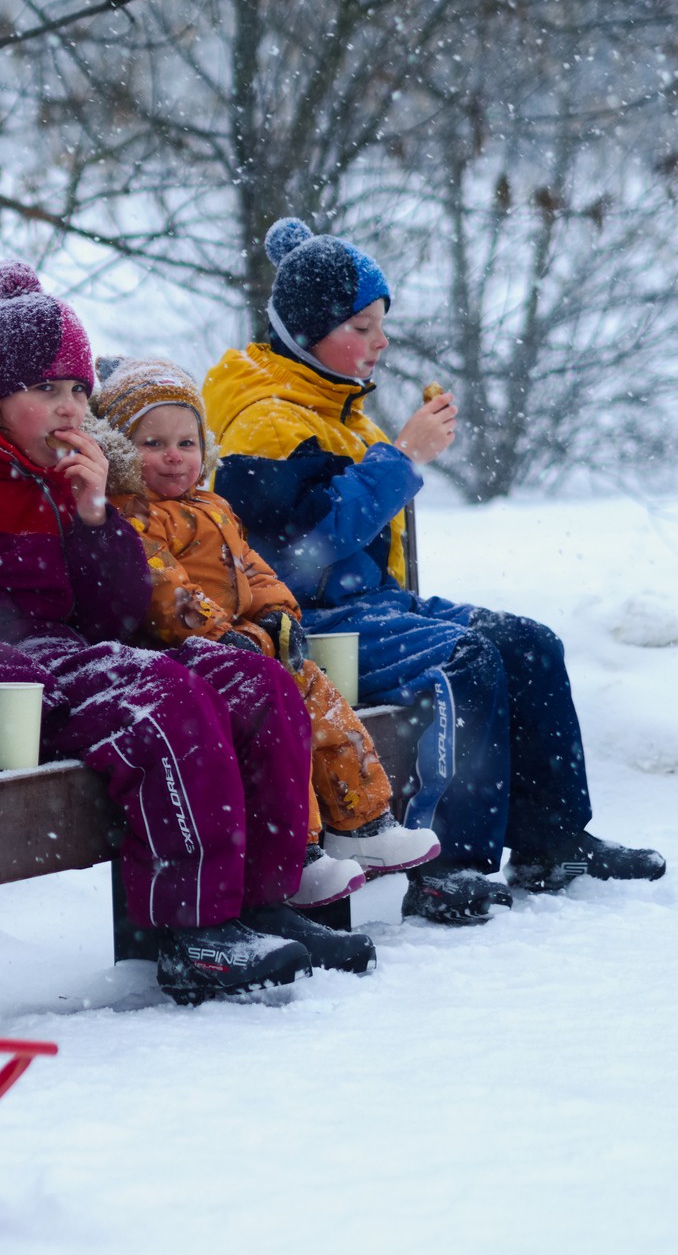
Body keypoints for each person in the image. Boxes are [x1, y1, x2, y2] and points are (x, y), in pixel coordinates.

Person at [0, 259, 366, 1002]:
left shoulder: (63, 482)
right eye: (44, 390)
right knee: (162, 699)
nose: (69, 407)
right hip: (1, 692)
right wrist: (16, 676)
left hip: (79, 662)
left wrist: (97, 516)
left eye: (77, 389)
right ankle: (191, 930)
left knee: (257, 682)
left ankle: (264, 900)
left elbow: (118, 616)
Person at [200, 217, 666, 924]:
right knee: (468, 661)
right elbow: (296, 558)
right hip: (317, 623)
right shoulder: (266, 422)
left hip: (373, 606)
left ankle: (552, 840)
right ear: (307, 331)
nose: (381, 341)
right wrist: (402, 458)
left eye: (381, 323)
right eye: (362, 324)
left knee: (529, 642)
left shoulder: (335, 405)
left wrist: (394, 452)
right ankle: (450, 862)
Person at [87, 358, 441, 912]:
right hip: (186, 655)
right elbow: (164, 590)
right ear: (120, 453)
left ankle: (364, 824)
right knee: (284, 728)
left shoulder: (215, 507)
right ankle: (297, 852)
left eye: (186, 442)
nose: (174, 456)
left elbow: (254, 569)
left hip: (251, 645)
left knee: (324, 709)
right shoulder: (135, 517)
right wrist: (222, 635)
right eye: (153, 443)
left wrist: (279, 615)